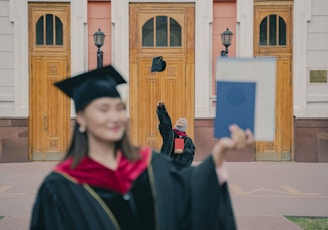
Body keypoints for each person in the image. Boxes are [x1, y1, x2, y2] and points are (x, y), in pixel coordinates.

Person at [30, 65, 254, 230]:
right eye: (103, 109)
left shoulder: (148, 164)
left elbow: (190, 189)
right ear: (81, 118)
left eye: (119, 108)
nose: (115, 117)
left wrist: (220, 152)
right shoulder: (60, 187)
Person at [156, 101, 195, 165]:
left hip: (177, 168)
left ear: (185, 125)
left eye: (182, 120)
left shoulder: (188, 140)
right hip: (165, 164)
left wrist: (183, 151)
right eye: (179, 119)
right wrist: (161, 108)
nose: (180, 120)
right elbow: (165, 123)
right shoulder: (170, 134)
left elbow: (191, 153)